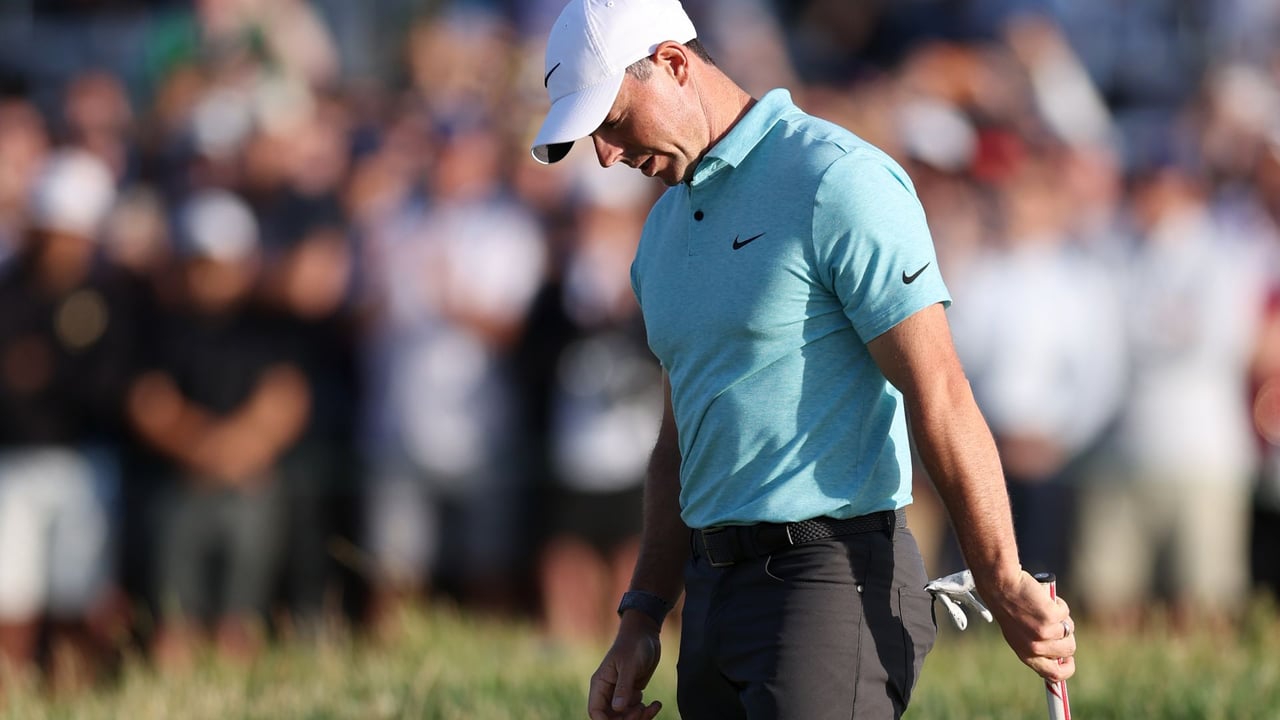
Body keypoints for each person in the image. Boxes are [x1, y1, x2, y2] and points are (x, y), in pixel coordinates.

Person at [527, 2, 1077, 719]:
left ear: (673, 63)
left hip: (831, 581)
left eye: (611, 120)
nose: (605, 153)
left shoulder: (836, 180)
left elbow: (938, 391)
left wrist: (1001, 577)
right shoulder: (659, 233)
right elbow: (679, 442)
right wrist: (642, 614)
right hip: (713, 594)